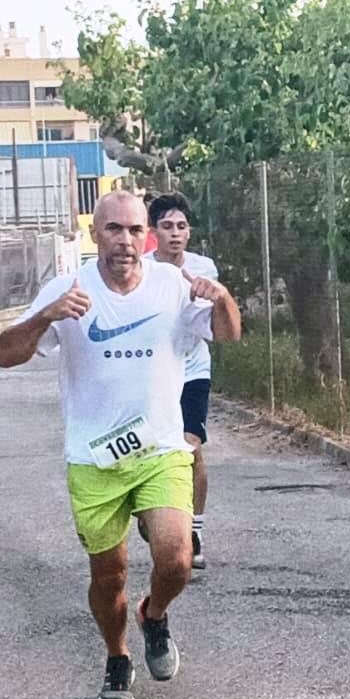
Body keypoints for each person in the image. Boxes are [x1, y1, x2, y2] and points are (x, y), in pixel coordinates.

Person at [0, 191, 241, 699]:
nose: (125, 241)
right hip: (94, 458)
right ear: (95, 234)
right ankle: (117, 654)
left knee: (176, 558)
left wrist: (221, 298)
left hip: (159, 448)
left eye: (134, 231)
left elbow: (228, 333)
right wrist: (46, 316)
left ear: (145, 236)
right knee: (109, 577)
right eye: (113, 229)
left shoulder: (171, 284)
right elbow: (6, 354)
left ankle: (154, 614)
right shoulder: (68, 288)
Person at [142, 192, 220, 568]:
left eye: (181, 226)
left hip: (192, 369)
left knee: (190, 449)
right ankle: (154, 515)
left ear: (189, 233)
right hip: (152, 372)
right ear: (154, 232)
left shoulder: (203, 268)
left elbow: (205, 320)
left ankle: (193, 530)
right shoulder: (141, 270)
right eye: (167, 226)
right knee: (153, 451)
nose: (175, 233)